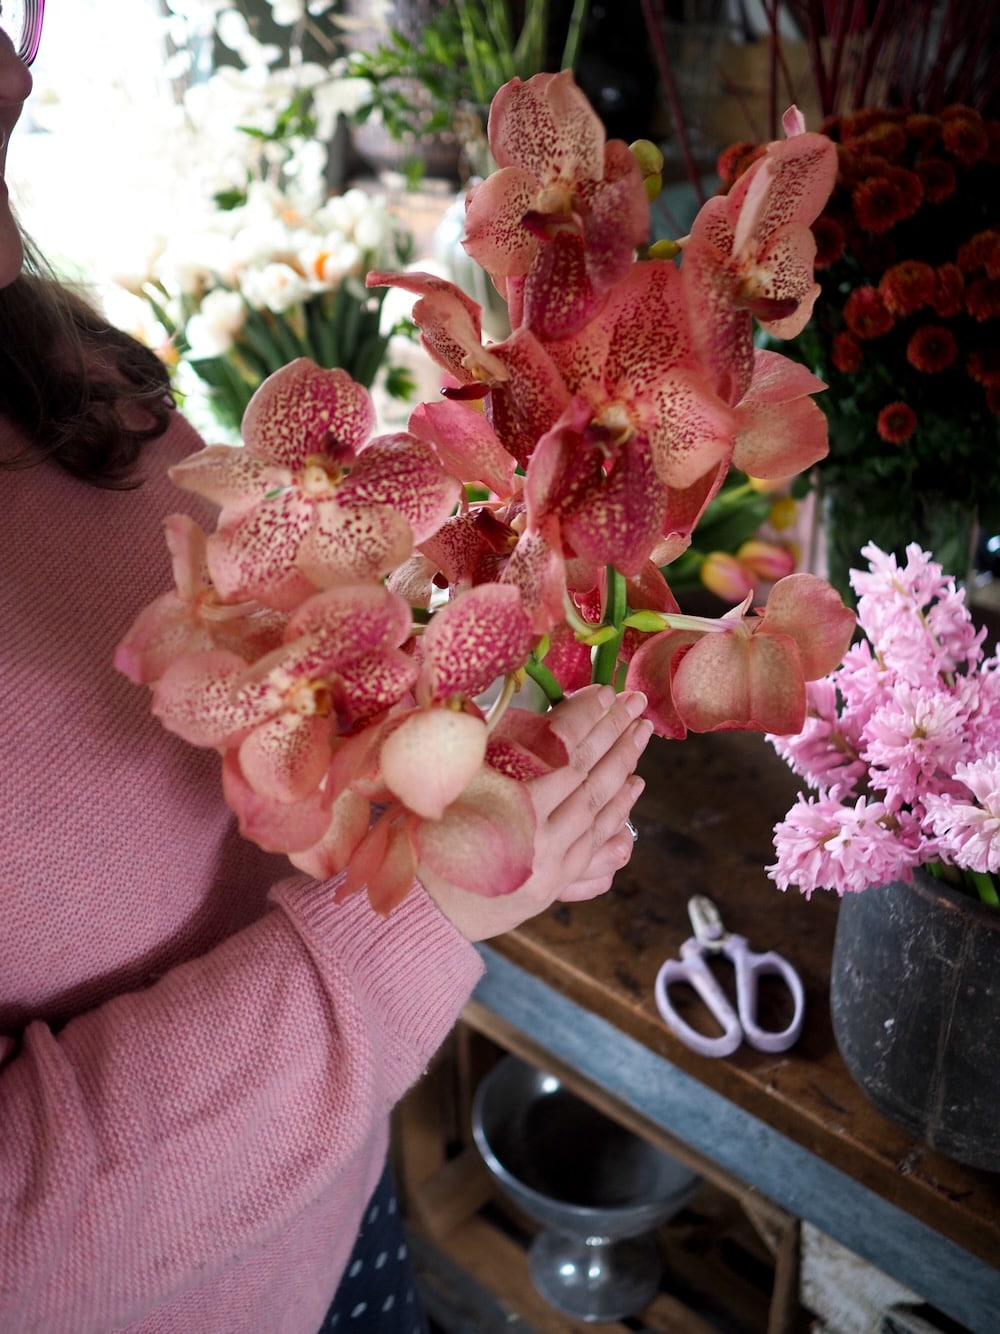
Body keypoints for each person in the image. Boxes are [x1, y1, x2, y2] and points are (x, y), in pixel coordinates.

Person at [0, 11, 651, 1332]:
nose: (17, 71)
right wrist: (413, 930)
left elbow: (285, 657)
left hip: (330, 1215)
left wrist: (445, 649)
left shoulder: (43, 352)